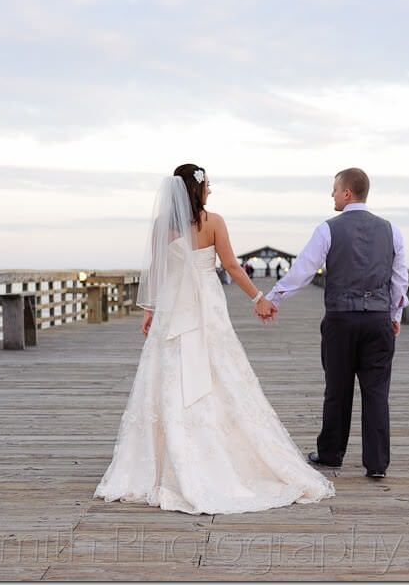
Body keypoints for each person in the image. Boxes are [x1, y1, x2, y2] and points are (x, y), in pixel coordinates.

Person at [93, 163, 334, 514]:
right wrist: (259, 299)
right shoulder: (214, 222)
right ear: (198, 187)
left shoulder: (162, 225)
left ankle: (164, 458)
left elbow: (158, 270)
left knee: (168, 372)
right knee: (218, 369)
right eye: (209, 184)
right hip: (205, 306)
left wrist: (149, 310)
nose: (212, 190)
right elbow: (233, 268)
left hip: (173, 307)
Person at [266, 168, 407, 479]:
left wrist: (273, 298)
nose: (331, 195)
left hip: (341, 319)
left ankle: (331, 454)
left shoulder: (328, 229)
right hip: (378, 320)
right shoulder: (391, 230)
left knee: (338, 389)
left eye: (334, 189)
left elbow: (304, 269)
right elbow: (399, 280)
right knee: (376, 392)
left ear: (347, 193)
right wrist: (395, 317)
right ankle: (377, 463)